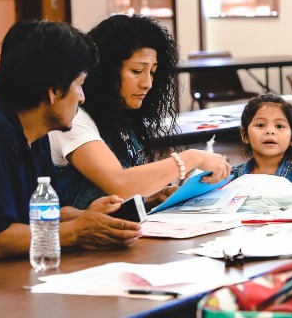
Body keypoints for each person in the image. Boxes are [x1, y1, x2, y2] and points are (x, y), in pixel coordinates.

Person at [0, 20, 143, 275]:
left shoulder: (34, 131)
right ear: (54, 90)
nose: (82, 96)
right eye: (79, 84)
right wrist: (77, 231)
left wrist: (87, 216)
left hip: (2, 275)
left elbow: (52, 210)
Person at [48, 14, 230, 210]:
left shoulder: (120, 116)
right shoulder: (73, 119)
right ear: (107, 71)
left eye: (152, 72)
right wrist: (192, 158)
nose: (147, 84)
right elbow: (119, 184)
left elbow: (118, 197)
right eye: (136, 71)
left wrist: (149, 200)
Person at [230, 94, 292, 199]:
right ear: (245, 135)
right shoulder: (231, 177)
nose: (270, 131)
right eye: (260, 125)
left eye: (279, 126)